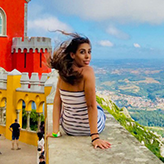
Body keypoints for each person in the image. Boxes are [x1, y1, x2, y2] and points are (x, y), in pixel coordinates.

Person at [47, 30, 111, 149]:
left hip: (69, 128)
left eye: (89, 52)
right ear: (73, 55)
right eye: (82, 52)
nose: (87, 56)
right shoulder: (88, 72)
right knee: (97, 106)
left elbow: (57, 102)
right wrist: (95, 137)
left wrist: (55, 131)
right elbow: (91, 106)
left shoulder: (63, 73)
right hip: (88, 129)